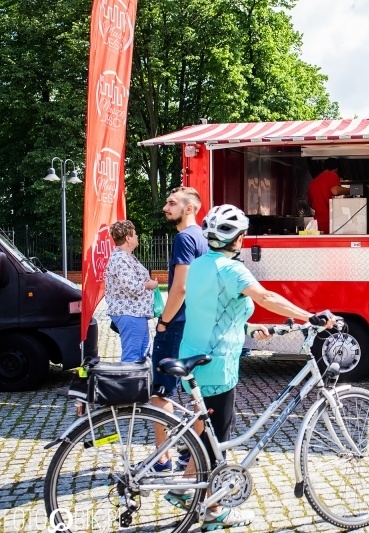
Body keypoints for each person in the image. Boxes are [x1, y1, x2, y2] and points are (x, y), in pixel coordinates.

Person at [163, 204, 333, 529]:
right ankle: (213, 512)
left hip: (194, 356)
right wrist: (310, 317)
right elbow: (267, 297)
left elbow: (212, 309)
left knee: (204, 437)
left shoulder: (198, 265)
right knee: (218, 443)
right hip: (216, 365)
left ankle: (184, 489)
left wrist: (251, 328)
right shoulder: (232, 270)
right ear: (238, 238)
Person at [150, 187, 209, 471]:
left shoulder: (185, 237)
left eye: (171, 203)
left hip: (177, 324)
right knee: (197, 393)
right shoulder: (204, 238)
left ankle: (161, 459)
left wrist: (164, 321)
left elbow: (180, 286)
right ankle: (193, 456)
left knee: (160, 393)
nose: (165, 207)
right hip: (197, 323)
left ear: (189, 209)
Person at [104, 220, 159, 362]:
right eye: (135, 234)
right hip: (129, 313)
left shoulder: (126, 257)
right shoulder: (121, 258)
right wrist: (150, 284)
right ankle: (129, 383)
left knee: (143, 353)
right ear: (128, 238)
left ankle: (140, 383)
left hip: (136, 314)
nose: (137, 236)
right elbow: (132, 286)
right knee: (132, 357)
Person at [307, 157, 348, 234]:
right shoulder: (332, 174)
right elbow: (335, 191)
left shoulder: (314, 181)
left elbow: (311, 204)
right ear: (336, 169)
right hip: (331, 222)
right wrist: (352, 190)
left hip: (318, 223)